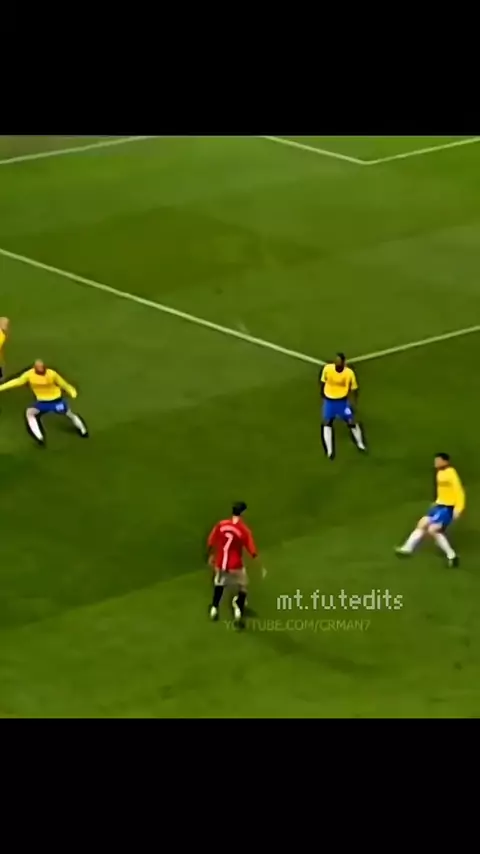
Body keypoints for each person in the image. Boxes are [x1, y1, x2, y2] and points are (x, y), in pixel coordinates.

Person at [396, 453, 465, 567]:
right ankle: (407, 548)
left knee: (433, 530)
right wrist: (437, 501)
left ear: (445, 462)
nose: (436, 463)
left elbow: (459, 491)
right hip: (439, 506)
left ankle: (452, 555)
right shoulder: (439, 473)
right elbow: (442, 491)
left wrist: (458, 509)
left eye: (438, 461)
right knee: (422, 523)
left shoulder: (451, 473)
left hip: (447, 507)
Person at [0, 359, 88, 446]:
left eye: (42, 367)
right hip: (44, 402)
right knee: (30, 413)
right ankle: (40, 437)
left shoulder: (47, 374)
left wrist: (72, 391)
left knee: (69, 414)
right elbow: (16, 382)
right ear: (35, 368)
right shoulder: (36, 374)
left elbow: (63, 384)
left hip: (55, 400)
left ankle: (83, 430)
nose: (41, 369)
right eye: (39, 368)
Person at [207, 502, 266, 627]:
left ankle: (214, 609)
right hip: (235, 565)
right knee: (243, 586)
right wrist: (260, 566)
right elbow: (252, 550)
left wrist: (211, 556)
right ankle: (238, 612)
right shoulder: (244, 530)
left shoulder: (221, 524)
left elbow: (211, 541)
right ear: (243, 513)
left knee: (219, 585)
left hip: (221, 563)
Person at [320, 353, 366, 459]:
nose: (337, 363)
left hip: (343, 403)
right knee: (327, 422)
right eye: (336, 361)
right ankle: (329, 451)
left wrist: (354, 402)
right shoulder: (328, 369)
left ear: (344, 363)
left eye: (339, 361)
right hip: (329, 402)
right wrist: (323, 395)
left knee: (351, 422)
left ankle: (360, 443)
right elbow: (323, 382)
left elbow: (354, 389)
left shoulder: (349, 373)